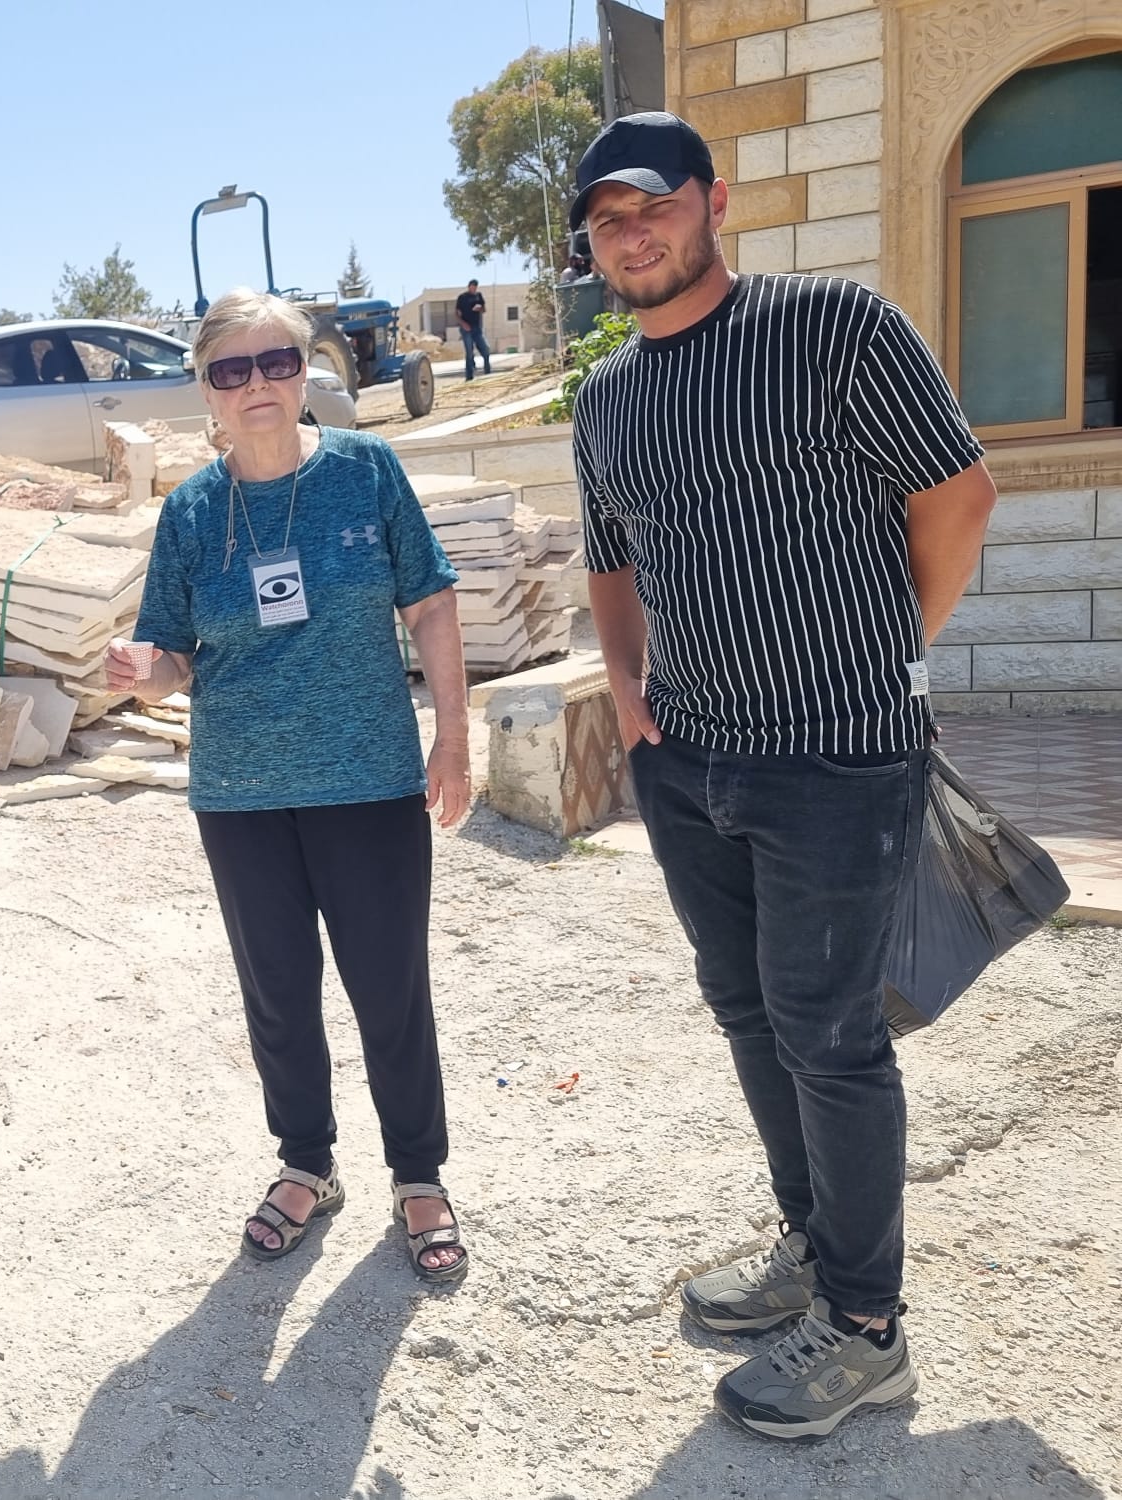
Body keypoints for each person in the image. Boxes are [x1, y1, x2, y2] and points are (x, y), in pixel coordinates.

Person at [568, 112, 998, 1442]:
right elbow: (609, 558)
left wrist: (877, 658)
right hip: (689, 766)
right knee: (752, 1015)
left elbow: (958, 498)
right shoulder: (606, 399)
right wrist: (632, 696)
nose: (633, 234)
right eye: (607, 221)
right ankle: (815, 1248)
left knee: (829, 1029)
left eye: (654, 205)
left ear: (715, 201)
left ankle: (868, 1331)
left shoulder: (835, 331)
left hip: (835, 757)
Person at [105, 287, 474, 1285]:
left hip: (368, 782)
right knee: (276, 993)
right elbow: (174, 651)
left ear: (306, 375)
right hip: (241, 793)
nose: (256, 385)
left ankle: (417, 1174)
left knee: (387, 986)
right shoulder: (188, 514)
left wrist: (451, 737)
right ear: (205, 391)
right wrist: (148, 670)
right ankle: (304, 1164)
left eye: (277, 364)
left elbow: (431, 604)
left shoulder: (365, 472)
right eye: (232, 370)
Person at [455, 279, 492, 379]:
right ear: (469, 286)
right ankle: (469, 376)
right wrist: (463, 324)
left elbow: (484, 310)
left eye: (475, 287)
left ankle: (488, 371)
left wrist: (480, 308)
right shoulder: (462, 297)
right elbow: (457, 314)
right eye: (472, 286)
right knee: (469, 352)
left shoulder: (478, 296)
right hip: (466, 328)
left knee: (485, 349)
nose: (473, 288)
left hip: (477, 327)